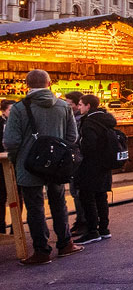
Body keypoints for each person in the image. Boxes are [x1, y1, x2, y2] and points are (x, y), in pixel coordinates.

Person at [3, 69, 83, 265]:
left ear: (27, 85)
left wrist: (17, 159)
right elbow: (72, 137)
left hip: (28, 165)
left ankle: (41, 250)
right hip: (57, 166)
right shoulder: (64, 107)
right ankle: (65, 243)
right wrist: (58, 154)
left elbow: (11, 141)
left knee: (35, 207)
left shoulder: (19, 108)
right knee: (58, 203)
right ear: (49, 84)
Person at [72, 95, 116, 246]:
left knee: (87, 197)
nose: (79, 107)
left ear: (88, 106)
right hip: (105, 165)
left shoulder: (89, 122)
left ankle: (92, 231)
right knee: (101, 197)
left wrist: (79, 149)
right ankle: (104, 229)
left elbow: (89, 146)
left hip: (91, 165)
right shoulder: (106, 119)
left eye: (81, 104)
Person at [63, 91, 87, 236]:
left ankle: (83, 221)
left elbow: (74, 138)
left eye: (69, 103)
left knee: (77, 192)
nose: (67, 105)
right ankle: (82, 220)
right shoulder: (74, 117)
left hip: (78, 159)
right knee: (76, 192)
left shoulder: (78, 120)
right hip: (77, 158)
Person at [0, 100, 12, 235]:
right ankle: (1, 228)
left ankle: (16, 228)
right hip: (2, 164)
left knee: (17, 196)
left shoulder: (17, 124)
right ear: (3, 111)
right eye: (10, 111)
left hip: (13, 163)